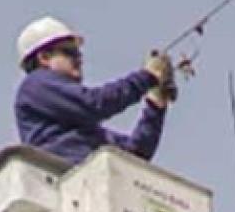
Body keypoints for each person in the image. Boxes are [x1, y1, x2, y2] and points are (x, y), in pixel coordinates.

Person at [13, 16, 175, 165]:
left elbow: (136, 153)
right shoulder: (35, 85)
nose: (79, 59)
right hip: (61, 177)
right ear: (44, 58)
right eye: (70, 52)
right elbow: (94, 103)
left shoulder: (85, 130)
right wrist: (146, 77)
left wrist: (156, 105)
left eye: (79, 54)